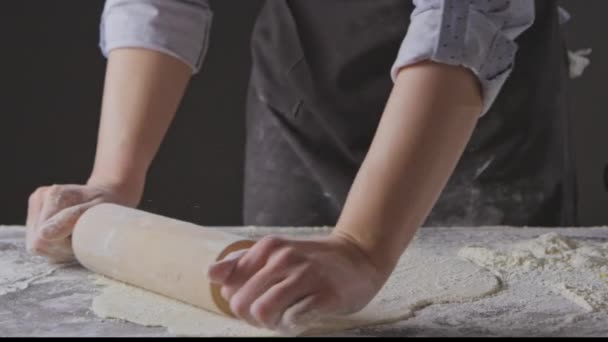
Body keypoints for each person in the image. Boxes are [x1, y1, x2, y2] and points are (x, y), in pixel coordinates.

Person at [25, 0, 577, 335]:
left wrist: (362, 247)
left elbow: (466, 17)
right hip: (306, 83)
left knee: (505, 296)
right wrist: (113, 181)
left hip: (467, 101)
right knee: (275, 302)